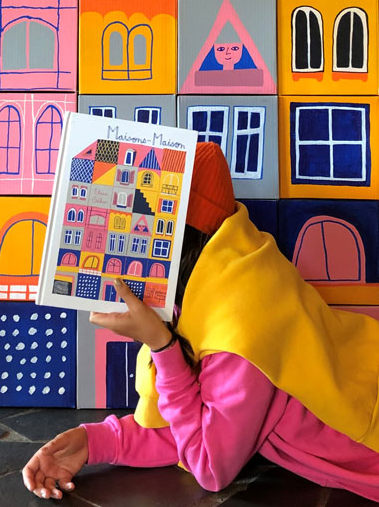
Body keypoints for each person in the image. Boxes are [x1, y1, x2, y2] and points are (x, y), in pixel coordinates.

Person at [23, 143, 379, 502]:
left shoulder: (239, 325)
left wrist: (163, 347)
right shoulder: (239, 266)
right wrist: (94, 441)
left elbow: (208, 464)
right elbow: (196, 422)